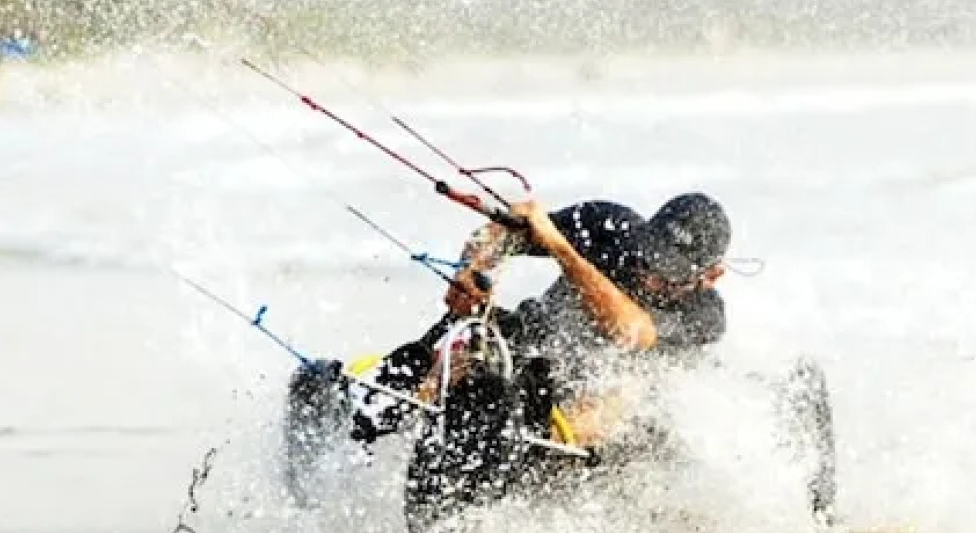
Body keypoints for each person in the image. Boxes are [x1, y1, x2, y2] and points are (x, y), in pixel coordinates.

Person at [292, 192, 734, 456]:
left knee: (628, 395)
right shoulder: (611, 226)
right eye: (650, 256)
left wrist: (561, 249)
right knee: (483, 332)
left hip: (600, 410)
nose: (649, 273)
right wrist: (474, 271)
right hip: (532, 344)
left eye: (669, 271)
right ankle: (379, 410)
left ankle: (533, 447)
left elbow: (628, 331)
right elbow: (504, 233)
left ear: (710, 275)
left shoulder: (706, 316)